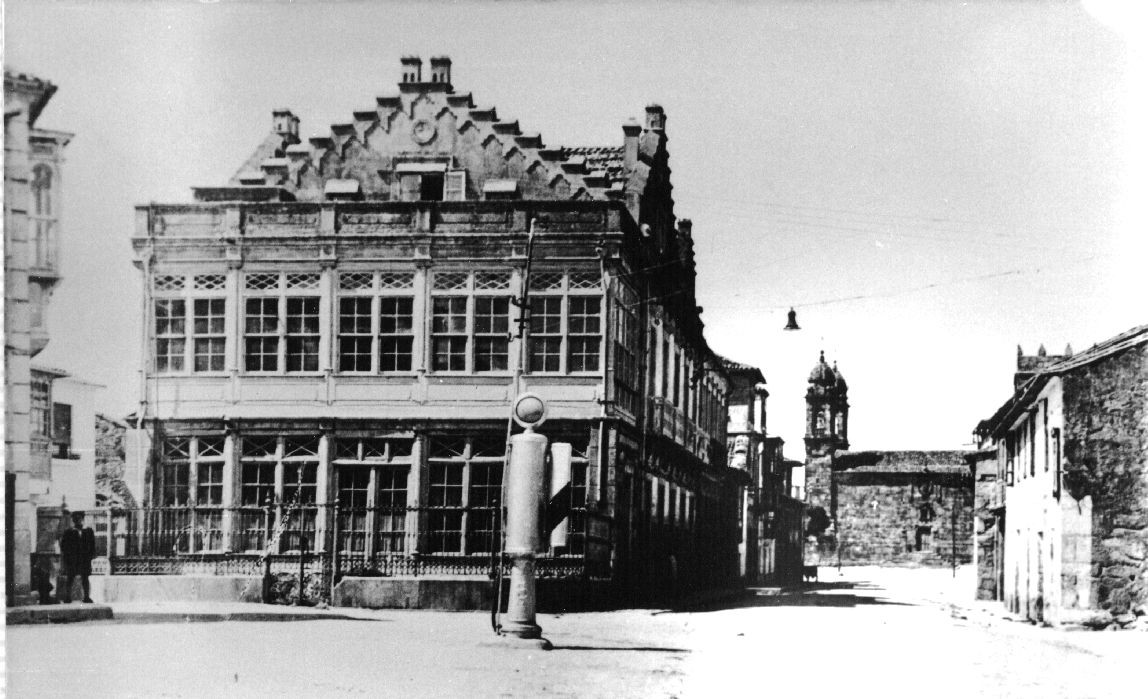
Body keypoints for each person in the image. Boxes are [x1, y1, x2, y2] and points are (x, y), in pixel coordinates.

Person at [59, 511, 96, 603]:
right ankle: (68, 597)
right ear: (73, 520)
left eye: (79, 518)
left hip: (84, 559)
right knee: (70, 578)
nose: (77, 521)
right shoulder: (68, 532)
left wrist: (90, 556)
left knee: (85, 578)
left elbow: (92, 545)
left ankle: (86, 597)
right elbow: (64, 546)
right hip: (73, 560)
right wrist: (68, 557)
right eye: (75, 519)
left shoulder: (88, 531)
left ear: (82, 519)